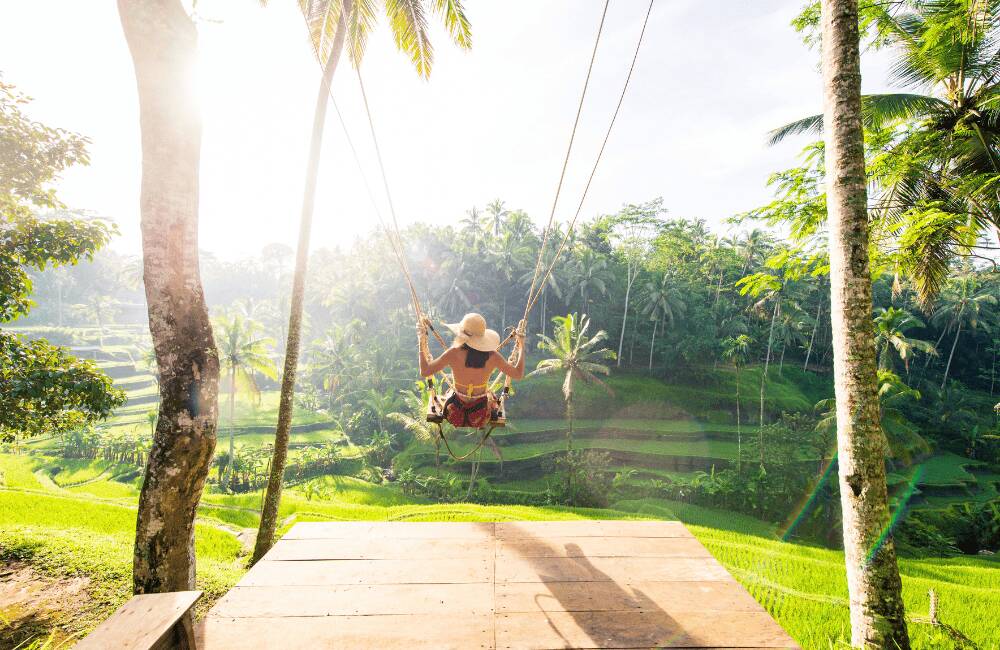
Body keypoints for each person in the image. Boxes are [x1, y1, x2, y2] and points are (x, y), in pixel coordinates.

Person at [418, 312, 526, 428]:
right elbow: (518, 374)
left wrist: (421, 341)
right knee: (491, 396)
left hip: (454, 413)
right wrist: (521, 345)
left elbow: (425, 371)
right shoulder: (493, 356)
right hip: (480, 416)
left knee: (448, 393)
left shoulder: (453, 353)